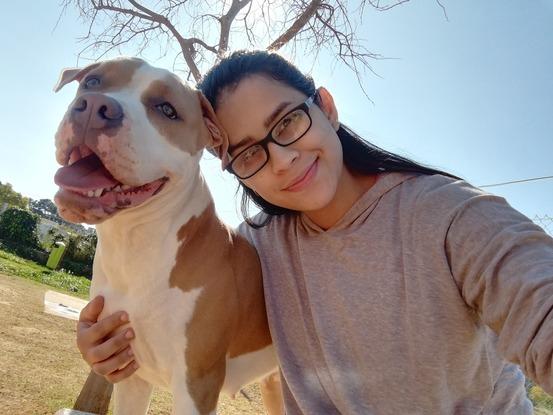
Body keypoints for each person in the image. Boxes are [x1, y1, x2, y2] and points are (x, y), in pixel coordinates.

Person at [76, 50, 553, 414]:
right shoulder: (256, 246)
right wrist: (104, 344)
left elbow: (534, 297)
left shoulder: (451, 215)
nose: (282, 159)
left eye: (288, 121)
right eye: (249, 152)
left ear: (325, 106)